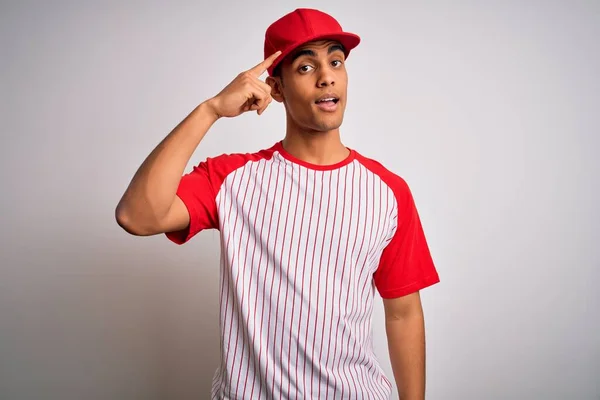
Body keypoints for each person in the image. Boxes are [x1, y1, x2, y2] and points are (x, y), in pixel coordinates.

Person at [116, 8, 440, 400]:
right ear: (277, 88)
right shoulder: (231, 179)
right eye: (305, 67)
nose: (327, 76)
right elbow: (136, 215)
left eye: (335, 61)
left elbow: (403, 313)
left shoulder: (388, 191)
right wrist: (211, 110)